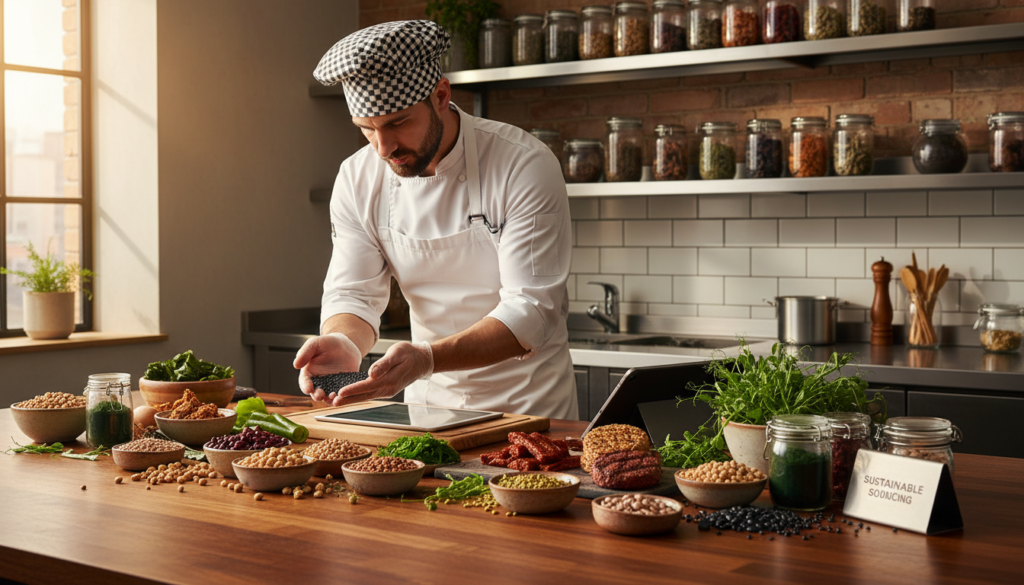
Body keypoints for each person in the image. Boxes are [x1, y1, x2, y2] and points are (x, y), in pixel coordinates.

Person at [293, 20, 577, 419]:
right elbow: (353, 294)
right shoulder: (358, 178)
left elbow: (532, 310)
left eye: (397, 123)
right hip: (428, 411)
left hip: (529, 409)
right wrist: (345, 341)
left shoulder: (522, 164)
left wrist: (426, 359)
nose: (384, 147)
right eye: (367, 129)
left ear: (441, 95)